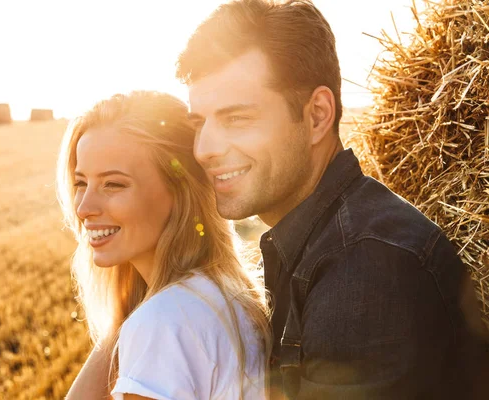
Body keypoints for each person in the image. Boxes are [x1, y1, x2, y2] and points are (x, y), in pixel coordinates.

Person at [176, 0, 489, 398]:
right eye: (199, 123)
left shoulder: (364, 267)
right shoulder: (319, 241)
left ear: (318, 116)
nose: (204, 149)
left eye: (236, 118)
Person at [56, 91, 271, 399]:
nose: (84, 207)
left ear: (179, 191)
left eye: (113, 184)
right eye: (80, 183)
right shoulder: (222, 293)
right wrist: (126, 308)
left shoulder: (164, 322)